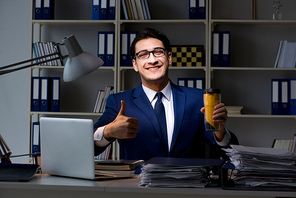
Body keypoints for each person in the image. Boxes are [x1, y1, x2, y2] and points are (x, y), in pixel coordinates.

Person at [94, 28, 238, 161]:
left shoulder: (198, 99)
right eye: (143, 55)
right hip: (138, 186)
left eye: (158, 52)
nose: (152, 60)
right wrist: (108, 131)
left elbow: (230, 153)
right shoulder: (119, 101)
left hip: (188, 184)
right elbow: (89, 146)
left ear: (169, 58)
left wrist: (220, 131)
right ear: (135, 65)